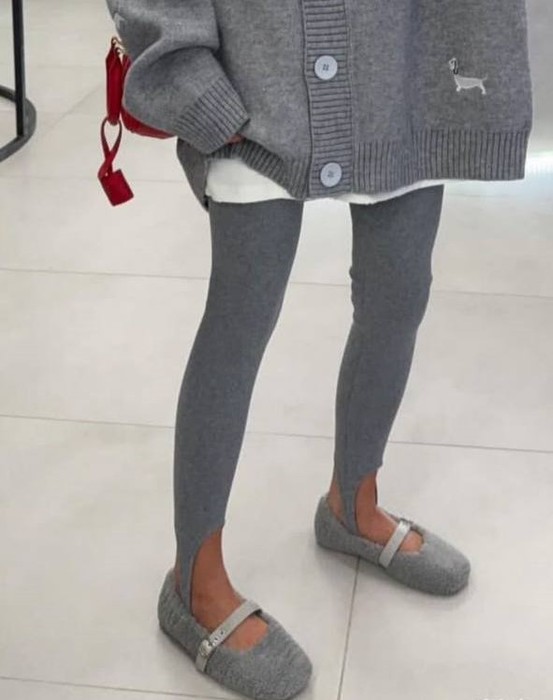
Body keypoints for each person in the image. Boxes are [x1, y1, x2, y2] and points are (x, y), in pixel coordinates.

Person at [106, 2, 533, 698]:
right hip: (254, 75)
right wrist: (191, 81)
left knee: (398, 299)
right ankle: (193, 582)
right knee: (240, 322)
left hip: (403, 73)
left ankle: (353, 508)